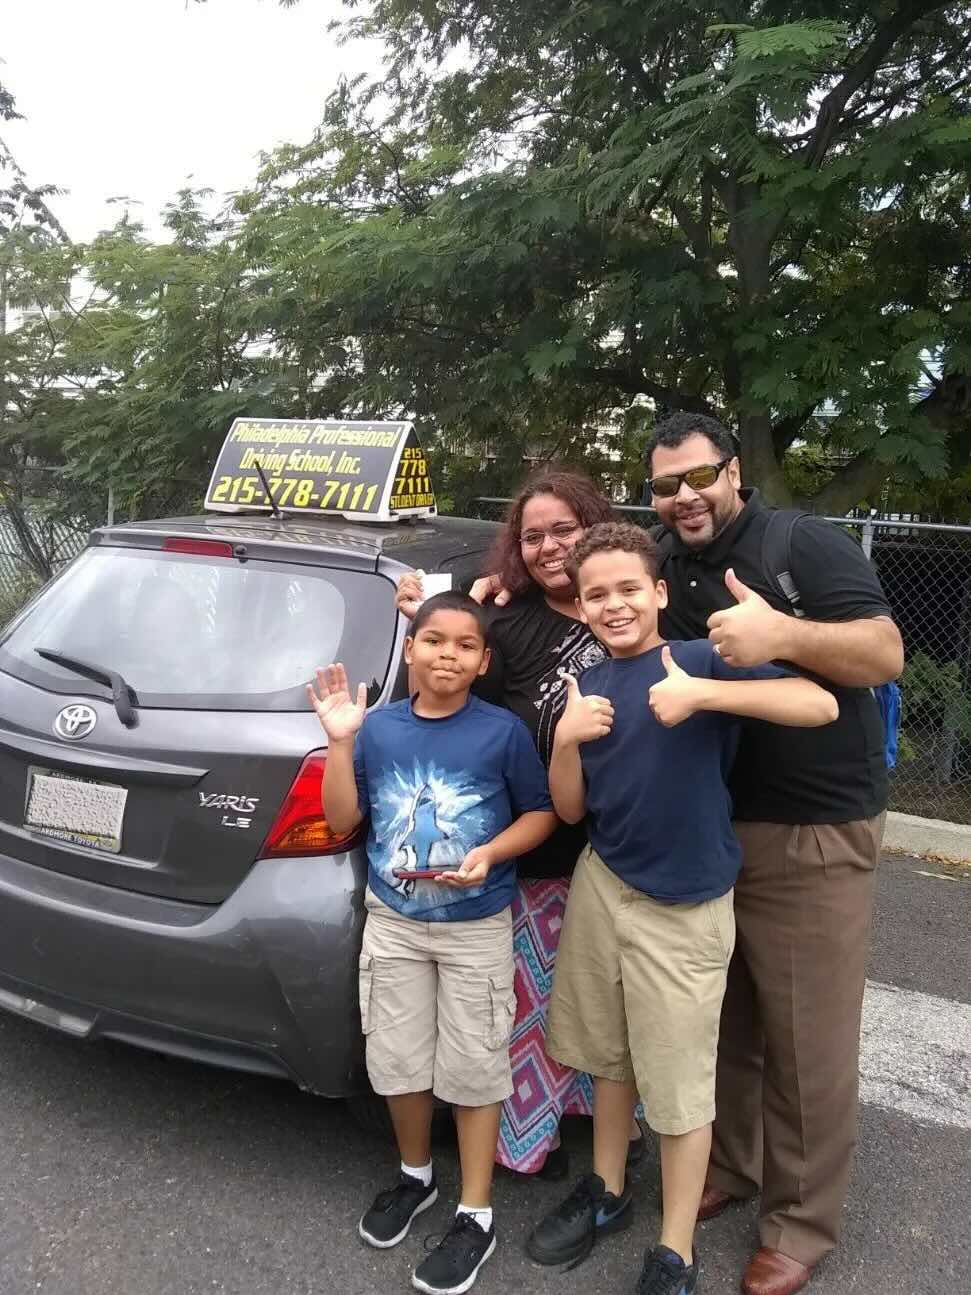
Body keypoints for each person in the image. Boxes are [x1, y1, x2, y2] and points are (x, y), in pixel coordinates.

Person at [527, 522, 838, 1295]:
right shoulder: (587, 685)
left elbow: (817, 703)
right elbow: (569, 810)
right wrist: (565, 739)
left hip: (684, 905)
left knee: (676, 1085)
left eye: (629, 587)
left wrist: (704, 692)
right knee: (607, 1055)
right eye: (595, 593)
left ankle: (674, 1249)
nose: (613, 604)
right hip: (604, 884)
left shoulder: (695, 659)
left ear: (659, 592)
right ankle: (606, 1191)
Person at [646, 413, 904, 1295]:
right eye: (664, 485)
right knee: (730, 1021)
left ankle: (799, 1222)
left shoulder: (801, 544)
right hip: (715, 824)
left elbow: (882, 652)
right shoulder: (665, 558)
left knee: (807, 1037)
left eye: (697, 478)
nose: (682, 497)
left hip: (812, 827)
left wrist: (783, 635)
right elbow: (586, 587)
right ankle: (731, 1165)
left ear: (733, 473)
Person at [307, 591, 557, 1295]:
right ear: (409, 648)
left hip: (475, 923)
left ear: (482, 660)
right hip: (394, 922)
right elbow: (339, 819)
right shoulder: (378, 729)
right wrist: (339, 739)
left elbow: (539, 814)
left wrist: (491, 852)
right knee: (396, 1057)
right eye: (433, 639)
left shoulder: (502, 732)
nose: (447, 653)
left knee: (475, 1065)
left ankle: (475, 1212)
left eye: (464, 644)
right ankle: (415, 1174)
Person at [396, 469, 643, 1179]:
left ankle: (600, 1127)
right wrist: (420, 621)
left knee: (601, 1005)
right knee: (528, 1006)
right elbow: (450, 709)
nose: (547, 546)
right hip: (534, 851)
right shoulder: (502, 620)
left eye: (563, 529)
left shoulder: (622, 611)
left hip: (620, 851)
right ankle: (530, 1138)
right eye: (531, 536)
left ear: (594, 525)